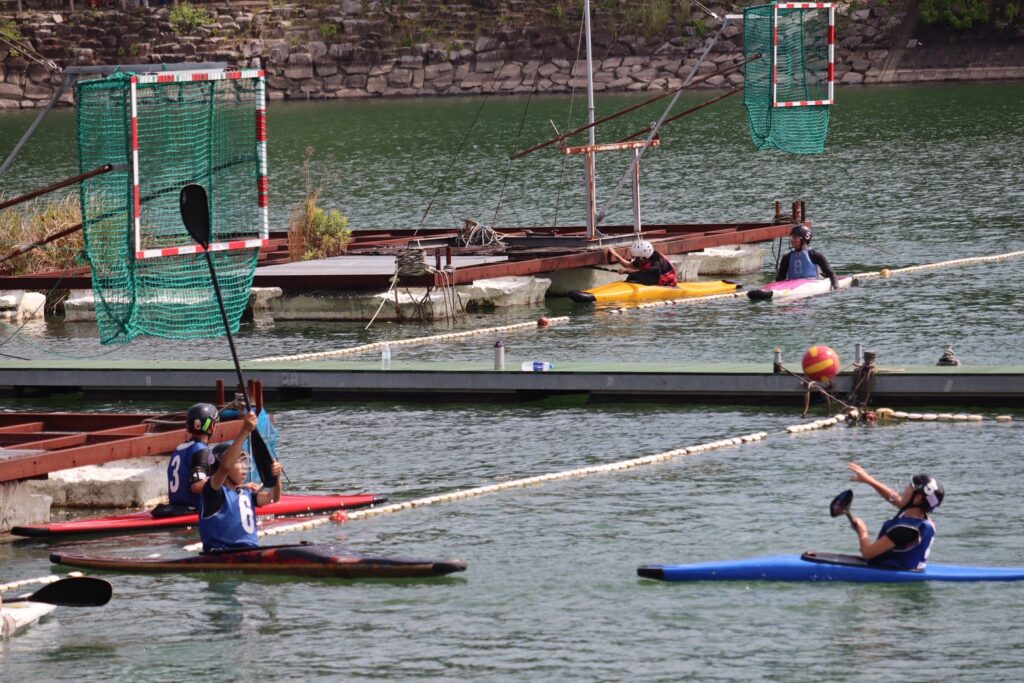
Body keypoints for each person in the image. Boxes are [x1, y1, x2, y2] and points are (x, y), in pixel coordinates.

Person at [199, 412, 283, 553]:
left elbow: (274, 498)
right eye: (238, 461)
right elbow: (225, 467)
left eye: (244, 461)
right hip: (222, 555)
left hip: (250, 553)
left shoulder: (247, 492)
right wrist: (245, 431)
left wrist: (277, 477)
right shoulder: (212, 493)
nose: (243, 466)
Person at [846, 462, 944, 570]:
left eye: (910, 486)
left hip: (886, 574)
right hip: (913, 570)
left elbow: (867, 553)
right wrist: (869, 480)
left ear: (918, 498)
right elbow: (897, 500)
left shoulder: (904, 530)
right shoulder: (926, 521)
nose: (906, 488)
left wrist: (862, 530)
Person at [165, 403, 220, 511]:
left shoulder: (179, 449)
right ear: (211, 426)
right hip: (192, 510)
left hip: (175, 507)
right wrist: (228, 487)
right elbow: (198, 485)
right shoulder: (201, 450)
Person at [606, 240, 678, 287]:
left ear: (644, 257)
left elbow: (649, 275)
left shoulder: (657, 263)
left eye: (637, 258)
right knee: (633, 274)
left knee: (634, 274)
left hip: (666, 283)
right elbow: (629, 265)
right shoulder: (643, 258)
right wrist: (615, 254)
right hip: (650, 275)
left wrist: (628, 271)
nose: (635, 259)